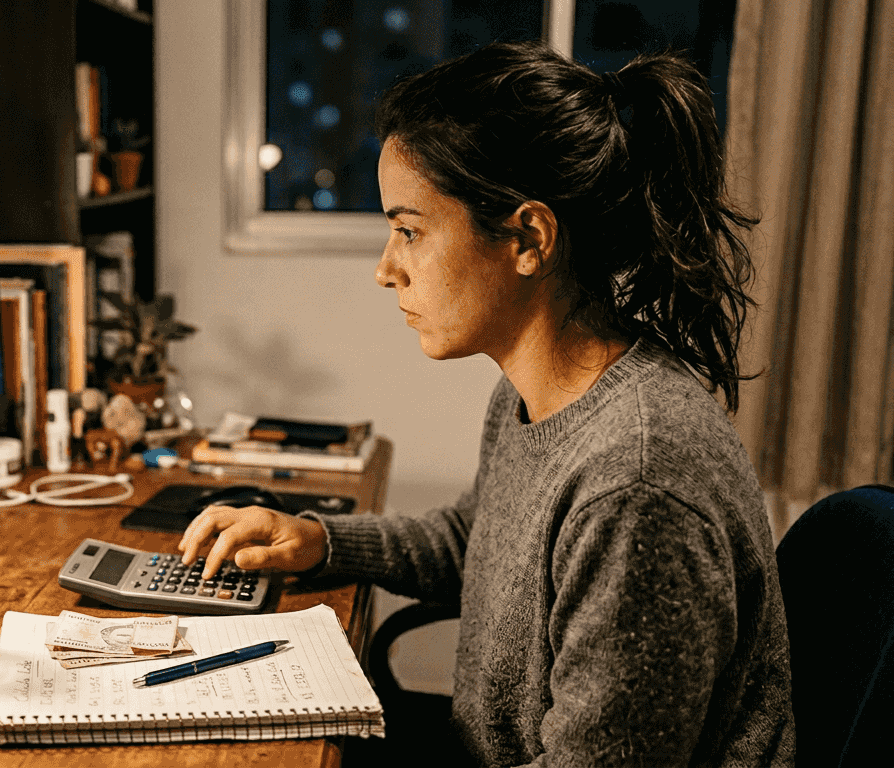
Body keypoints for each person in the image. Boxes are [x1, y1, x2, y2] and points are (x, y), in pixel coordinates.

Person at [179, 41, 794, 767]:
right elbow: (477, 540)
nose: (386, 269)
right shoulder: (533, 394)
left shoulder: (637, 482)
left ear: (528, 239)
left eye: (409, 231)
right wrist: (319, 541)